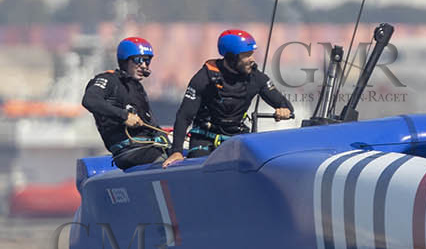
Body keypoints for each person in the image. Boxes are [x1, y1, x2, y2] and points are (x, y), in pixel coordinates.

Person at [164, 29, 292, 165]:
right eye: (246, 55)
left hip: (237, 139)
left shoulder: (256, 78)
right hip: (204, 139)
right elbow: (184, 116)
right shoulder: (205, 77)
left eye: (252, 54)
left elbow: (285, 105)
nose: (252, 60)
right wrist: (176, 151)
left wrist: (284, 110)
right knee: (200, 164)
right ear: (231, 58)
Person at [82, 36, 173, 170]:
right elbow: (90, 100)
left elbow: (152, 125)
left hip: (149, 148)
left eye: (147, 61)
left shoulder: (137, 88)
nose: (144, 65)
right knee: (174, 163)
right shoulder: (109, 79)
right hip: (130, 152)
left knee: (185, 153)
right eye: (138, 60)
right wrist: (124, 116)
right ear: (125, 61)